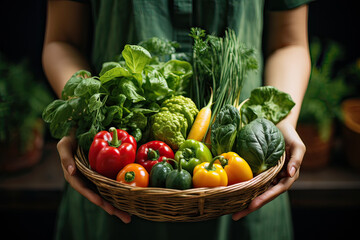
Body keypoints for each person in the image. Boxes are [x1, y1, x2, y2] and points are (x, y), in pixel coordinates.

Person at [42, 0, 312, 239]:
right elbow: (62, 40)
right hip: (113, 190)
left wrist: (281, 125)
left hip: (245, 182)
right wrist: (85, 115)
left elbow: (288, 42)